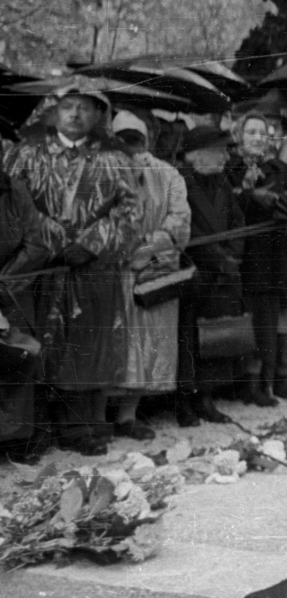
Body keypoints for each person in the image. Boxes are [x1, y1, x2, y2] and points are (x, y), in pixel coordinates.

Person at [4, 84, 138, 455]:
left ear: (98, 114)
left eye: (84, 108)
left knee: (84, 347)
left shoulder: (115, 159)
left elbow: (130, 211)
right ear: (54, 110)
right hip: (39, 269)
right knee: (35, 346)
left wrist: (93, 242)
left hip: (91, 273)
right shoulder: (27, 154)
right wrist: (53, 239)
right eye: (68, 106)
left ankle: (78, 429)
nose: (75, 114)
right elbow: (14, 203)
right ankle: (34, 432)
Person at [108, 112, 189, 439]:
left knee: (148, 345)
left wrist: (145, 248)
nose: (131, 147)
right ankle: (103, 414)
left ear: (147, 140)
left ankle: (128, 415)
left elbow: (179, 222)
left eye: (135, 139)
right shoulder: (106, 173)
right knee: (117, 343)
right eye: (123, 140)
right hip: (117, 271)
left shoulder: (169, 175)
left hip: (153, 269)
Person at [227, 112, 287, 405]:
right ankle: (245, 382)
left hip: (272, 253)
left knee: (268, 318)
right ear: (239, 136)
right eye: (251, 132)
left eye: (263, 133)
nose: (257, 137)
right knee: (245, 316)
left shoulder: (280, 169)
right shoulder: (230, 167)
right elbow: (225, 201)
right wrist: (247, 192)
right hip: (241, 253)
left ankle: (269, 382)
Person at [176, 124, 243, 426]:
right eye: (220, 151)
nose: (226, 158)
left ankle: (207, 397)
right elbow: (188, 229)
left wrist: (233, 254)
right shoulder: (181, 183)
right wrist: (219, 258)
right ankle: (184, 401)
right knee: (188, 338)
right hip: (194, 271)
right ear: (197, 154)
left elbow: (238, 220)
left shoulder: (222, 183)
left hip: (224, 271)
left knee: (216, 336)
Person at [0, 162, 53, 460]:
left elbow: (36, 243)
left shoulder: (15, 190)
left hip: (13, 287)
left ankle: (22, 441)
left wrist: (4, 284)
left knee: (20, 357)